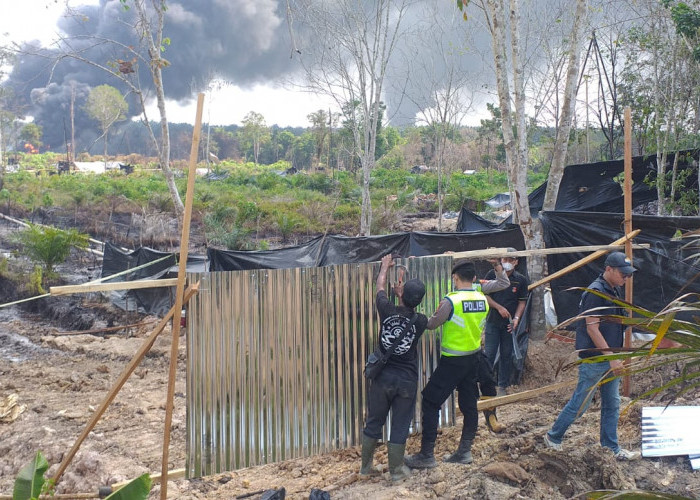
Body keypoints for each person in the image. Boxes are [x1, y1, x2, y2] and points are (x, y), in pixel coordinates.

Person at [543, 251, 641, 461]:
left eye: (628, 274)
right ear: (608, 269)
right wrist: (612, 358)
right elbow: (592, 328)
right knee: (581, 403)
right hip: (596, 359)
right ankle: (553, 436)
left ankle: (610, 448)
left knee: (612, 403)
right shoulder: (596, 293)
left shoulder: (612, 290)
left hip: (609, 357)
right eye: (623, 274)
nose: (626, 278)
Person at [404, 259, 492, 468]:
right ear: (473, 279)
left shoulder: (451, 301)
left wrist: (420, 314)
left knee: (430, 401)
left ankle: (426, 455)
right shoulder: (483, 299)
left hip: (453, 360)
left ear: (455, 278)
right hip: (473, 358)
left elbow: (433, 324)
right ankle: (465, 451)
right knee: (469, 404)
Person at [361, 254, 428, 481]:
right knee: (399, 425)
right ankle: (397, 472)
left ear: (401, 295)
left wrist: (384, 267)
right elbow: (412, 309)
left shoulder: (386, 310)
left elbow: (380, 287)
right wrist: (404, 297)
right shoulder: (420, 321)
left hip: (383, 378)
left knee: (374, 421)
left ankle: (365, 468)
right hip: (406, 381)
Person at [483, 249, 530, 395]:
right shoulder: (492, 275)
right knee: (489, 354)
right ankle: (486, 385)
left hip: (509, 324)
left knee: (506, 354)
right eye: (505, 259)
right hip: (492, 321)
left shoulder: (521, 280)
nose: (507, 263)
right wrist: (498, 307)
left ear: (516, 262)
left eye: (511, 260)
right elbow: (485, 296)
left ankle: (503, 385)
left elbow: (522, 302)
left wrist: (516, 319)